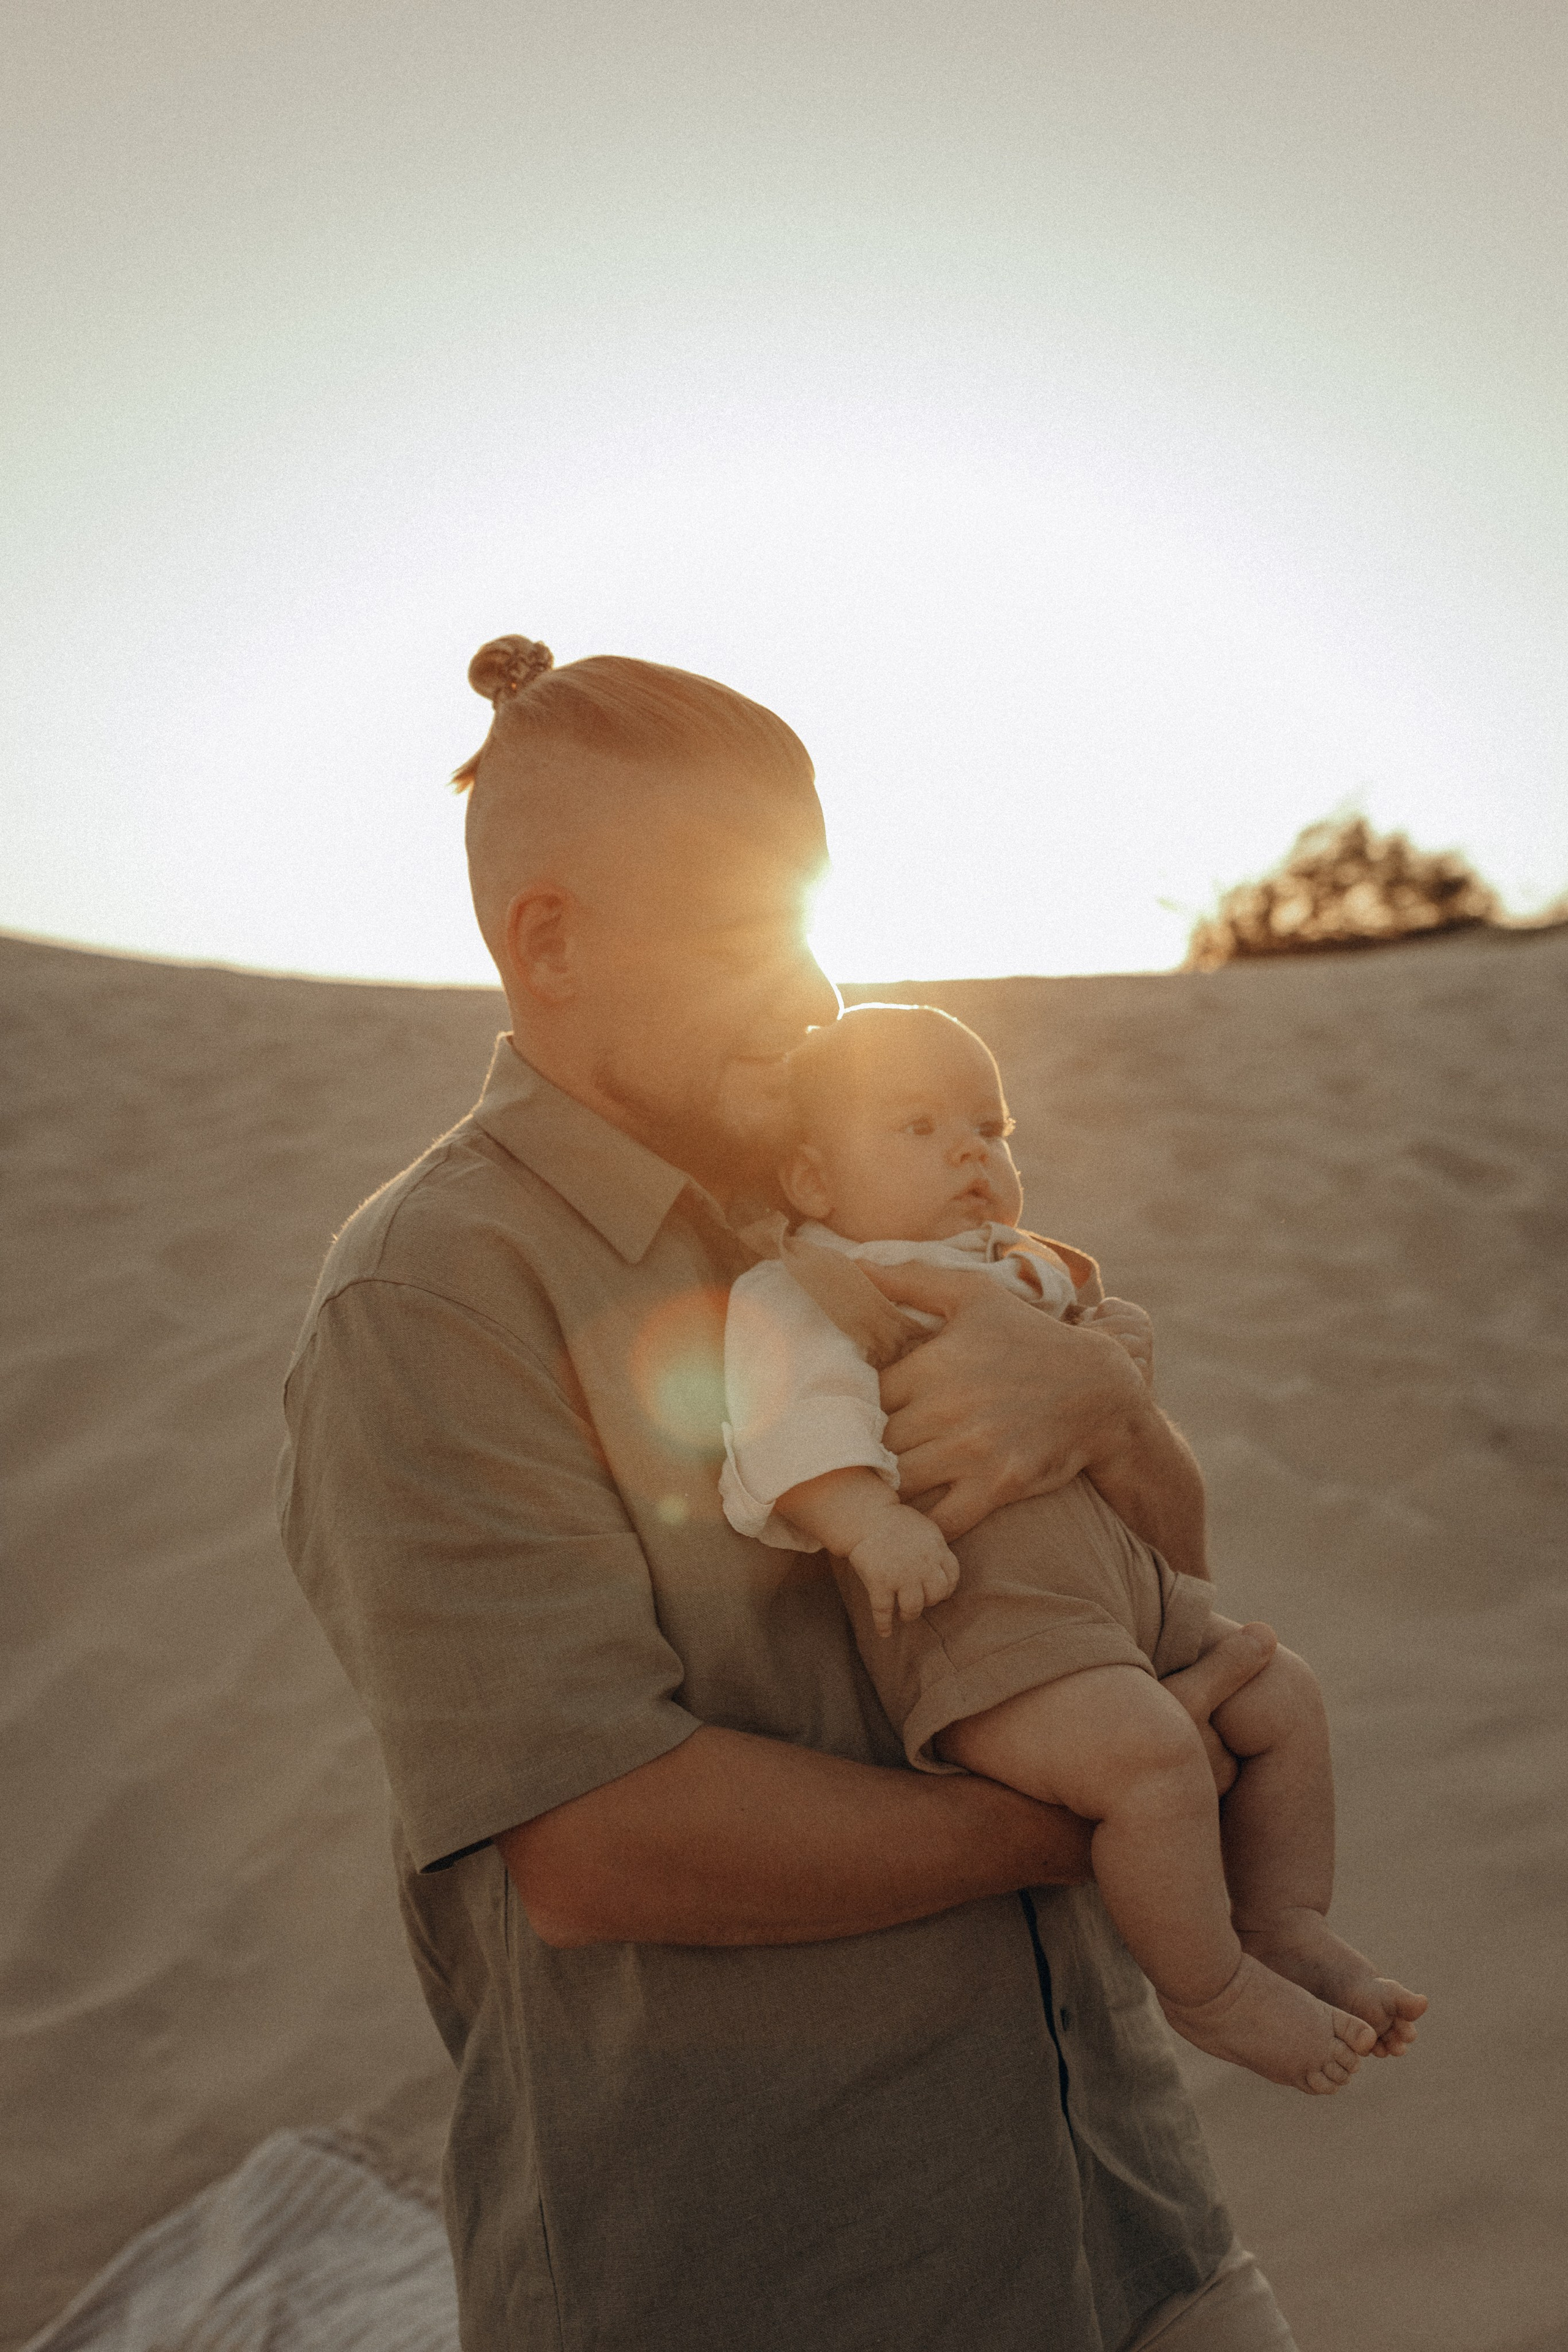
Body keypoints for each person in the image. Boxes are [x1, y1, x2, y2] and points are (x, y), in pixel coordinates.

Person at [278, 633, 1302, 2351]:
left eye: (810, 917)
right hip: (775, 2276)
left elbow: (1149, 1590)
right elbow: (601, 1844)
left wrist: (1111, 1417)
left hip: (1129, 2224)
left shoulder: (860, 1191)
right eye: (745, 930)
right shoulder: (436, 1294)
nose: (811, 986)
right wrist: (1099, 1816)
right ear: (553, 942)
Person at [720, 1002, 1427, 2097]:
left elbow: (1120, 1414)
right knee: (1149, 1758)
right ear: (813, 1183)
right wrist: (868, 1521)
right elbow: (789, 1422)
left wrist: (1114, 1355)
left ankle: (1285, 1921)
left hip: (1130, 1596)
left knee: (1284, 1698)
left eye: (991, 1128)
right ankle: (1210, 1991)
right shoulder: (817, 1286)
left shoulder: (1032, 1268)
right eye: (917, 1127)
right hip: (993, 1627)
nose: (970, 1151)